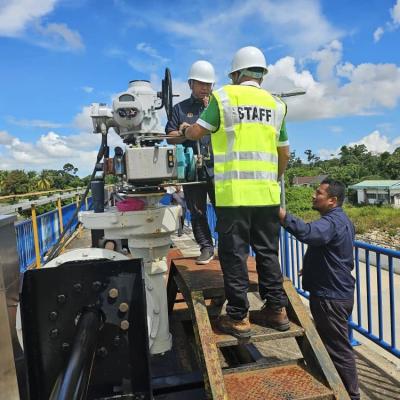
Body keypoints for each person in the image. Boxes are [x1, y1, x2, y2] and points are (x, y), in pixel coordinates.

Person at [180, 46, 291, 338]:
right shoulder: (277, 105)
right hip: (267, 195)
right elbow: (285, 153)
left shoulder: (225, 97)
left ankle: (239, 317)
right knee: (268, 252)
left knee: (235, 255)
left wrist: (186, 128)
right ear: (261, 74)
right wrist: (273, 178)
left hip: (233, 195)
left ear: (236, 74)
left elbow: (197, 133)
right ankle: (277, 310)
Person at [278, 179, 360, 400]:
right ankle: (334, 386)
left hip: (330, 296)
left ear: (332, 200)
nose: (314, 195)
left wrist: (283, 217)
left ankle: (352, 396)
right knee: (331, 343)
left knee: (339, 348)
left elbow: (308, 233)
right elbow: (332, 250)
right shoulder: (342, 220)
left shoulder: (331, 222)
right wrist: (313, 266)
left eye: (319, 193)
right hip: (337, 292)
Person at [166, 60, 216, 264]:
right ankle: (206, 247)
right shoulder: (180, 108)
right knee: (196, 210)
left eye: (209, 84)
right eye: (201, 83)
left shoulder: (218, 105)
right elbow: (169, 137)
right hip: (191, 169)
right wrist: (184, 131)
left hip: (217, 167)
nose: (205, 87)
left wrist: (210, 109)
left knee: (224, 209)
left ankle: (228, 246)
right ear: (191, 84)